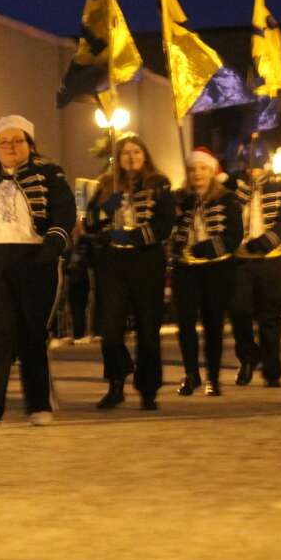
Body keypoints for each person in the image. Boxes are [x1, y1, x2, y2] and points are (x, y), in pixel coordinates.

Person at [0, 115, 75, 427]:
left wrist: (52, 246)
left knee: (31, 334)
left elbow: (64, 211)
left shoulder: (50, 173)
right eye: (4, 141)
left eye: (18, 140)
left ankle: (38, 404)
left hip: (34, 258)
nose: (11, 146)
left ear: (29, 144)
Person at [84, 134, 175, 410]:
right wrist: (106, 209)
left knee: (148, 331)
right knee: (110, 331)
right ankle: (116, 382)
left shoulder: (159, 185)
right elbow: (89, 223)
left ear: (145, 155)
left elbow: (165, 224)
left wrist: (135, 238)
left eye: (136, 152)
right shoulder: (104, 186)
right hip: (113, 264)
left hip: (146, 261)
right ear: (118, 158)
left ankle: (148, 389)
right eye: (126, 153)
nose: (131, 157)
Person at [170, 148, 243, 395]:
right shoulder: (181, 199)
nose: (197, 173)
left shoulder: (228, 199)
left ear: (211, 171)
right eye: (192, 169)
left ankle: (213, 376)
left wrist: (207, 248)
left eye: (202, 168)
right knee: (186, 323)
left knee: (213, 324)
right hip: (185, 268)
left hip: (217, 269)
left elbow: (234, 236)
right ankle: (191, 374)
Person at [227, 145, 281, 386]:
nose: (253, 171)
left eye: (257, 166)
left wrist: (270, 240)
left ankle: (272, 368)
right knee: (239, 312)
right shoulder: (233, 192)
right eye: (249, 167)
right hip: (241, 260)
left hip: (270, 260)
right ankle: (247, 357)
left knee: (270, 316)